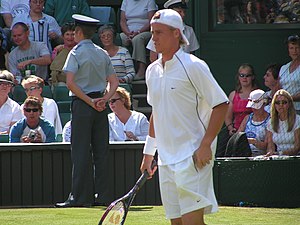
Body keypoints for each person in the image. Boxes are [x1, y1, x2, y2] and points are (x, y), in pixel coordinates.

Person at [140, 9, 229, 225]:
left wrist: (206, 144)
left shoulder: (194, 66)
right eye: (153, 32)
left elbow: (221, 104)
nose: (154, 38)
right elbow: (157, 112)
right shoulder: (151, 71)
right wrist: (148, 153)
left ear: (176, 33)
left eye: (159, 32)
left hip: (192, 155)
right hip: (166, 161)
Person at [55, 14, 119, 208]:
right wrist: (103, 100)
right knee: (101, 152)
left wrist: (90, 102)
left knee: (80, 151)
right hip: (100, 104)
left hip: (84, 104)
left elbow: (71, 83)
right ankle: (103, 195)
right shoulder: (102, 52)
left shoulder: (75, 52)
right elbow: (114, 82)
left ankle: (79, 197)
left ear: (79, 33)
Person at [119, 0, 157, 80]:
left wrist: (138, 32)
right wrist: (128, 33)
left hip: (146, 31)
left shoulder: (149, 1)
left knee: (137, 39)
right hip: (128, 32)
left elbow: (151, 21)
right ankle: (122, 69)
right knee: (120, 38)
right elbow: (122, 21)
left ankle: (141, 70)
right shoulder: (126, 1)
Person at [21, 75, 62, 140]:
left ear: (40, 89)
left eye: (32, 89)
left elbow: (48, 125)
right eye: (26, 90)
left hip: (50, 141)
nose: (29, 92)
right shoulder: (23, 106)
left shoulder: (50, 103)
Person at [225, 63, 258, 136]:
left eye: (247, 75)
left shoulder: (258, 94)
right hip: (236, 133)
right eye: (242, 75)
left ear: (252, 77)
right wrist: (231, 129)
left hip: (254, 132)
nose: (244, 78)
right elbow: (228, 117)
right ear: (238, 77)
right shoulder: (233, 95)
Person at [266, 89, 300, 156]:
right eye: (277, 102)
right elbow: (270, 146)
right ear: (274, 105)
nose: (281, 105)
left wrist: (280, 153)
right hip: (278, 158)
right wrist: (271, 153)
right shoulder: (270, 122)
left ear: (289, 104)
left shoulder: (298, 120)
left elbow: (297, 147)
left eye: (284, 102)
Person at [237, 89, 270, 156]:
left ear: (264, 104)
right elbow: (237, 136)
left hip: (261, 156)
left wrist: (253, 142)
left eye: (257, 106)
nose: (254, 108)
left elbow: (266, 145)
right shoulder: (247, 118)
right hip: (244, 154)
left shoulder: (270, 120)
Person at [279, 35, 300, 115]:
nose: (294, 51)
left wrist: (289, 98)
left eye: (297, 48)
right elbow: (278, 86)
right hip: (283, 109)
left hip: (298, 109)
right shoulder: (284, 68)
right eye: (291, 48)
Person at [0, 70, 23, 134]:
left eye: (8, 84)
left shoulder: (15, 107)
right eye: (0, 83)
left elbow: (14, 130)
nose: (4, 86)